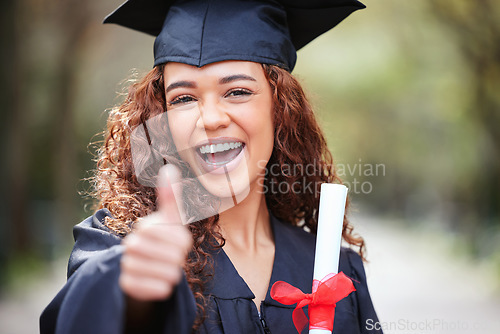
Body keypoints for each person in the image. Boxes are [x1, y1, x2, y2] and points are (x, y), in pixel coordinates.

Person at [40, 0, 382, 333]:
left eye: (237, 92)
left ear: (281, 109)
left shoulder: (334, 270)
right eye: (184, 99)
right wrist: (133, 297)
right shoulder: (120, 245)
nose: (211, 119)